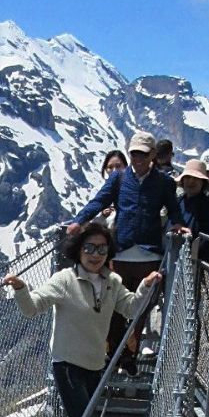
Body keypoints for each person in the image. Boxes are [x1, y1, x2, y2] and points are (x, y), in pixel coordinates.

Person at [5, 221, 162, 417]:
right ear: (78, 250)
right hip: (67, 366)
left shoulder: (113, 282)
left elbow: (131, 308)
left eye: (102, 249)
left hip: (94, 366)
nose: (95, 254)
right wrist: (21, 288)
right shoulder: (65, 279)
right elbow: (32, 308)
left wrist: (144, 287)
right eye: (89, 248)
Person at [66, 130, 188, 375]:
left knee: (139, 309)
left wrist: (177, 223)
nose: (138, 159)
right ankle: (118, 354)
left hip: (148, 255)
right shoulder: (119, 179)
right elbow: (99, 201)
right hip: (120, 255)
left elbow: (174, 208)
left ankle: (127, 357)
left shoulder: (163, 182)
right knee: (113, 307)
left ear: (152, 155)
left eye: (142, 154)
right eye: (134, 154)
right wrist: (80, 221)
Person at [176, 158, 209, 269]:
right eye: (188, 178)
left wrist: (192, 253)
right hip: (177, 257)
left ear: (203, 182)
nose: (191, 182)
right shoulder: (180, 201)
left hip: (195, 263)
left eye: (196, 178)